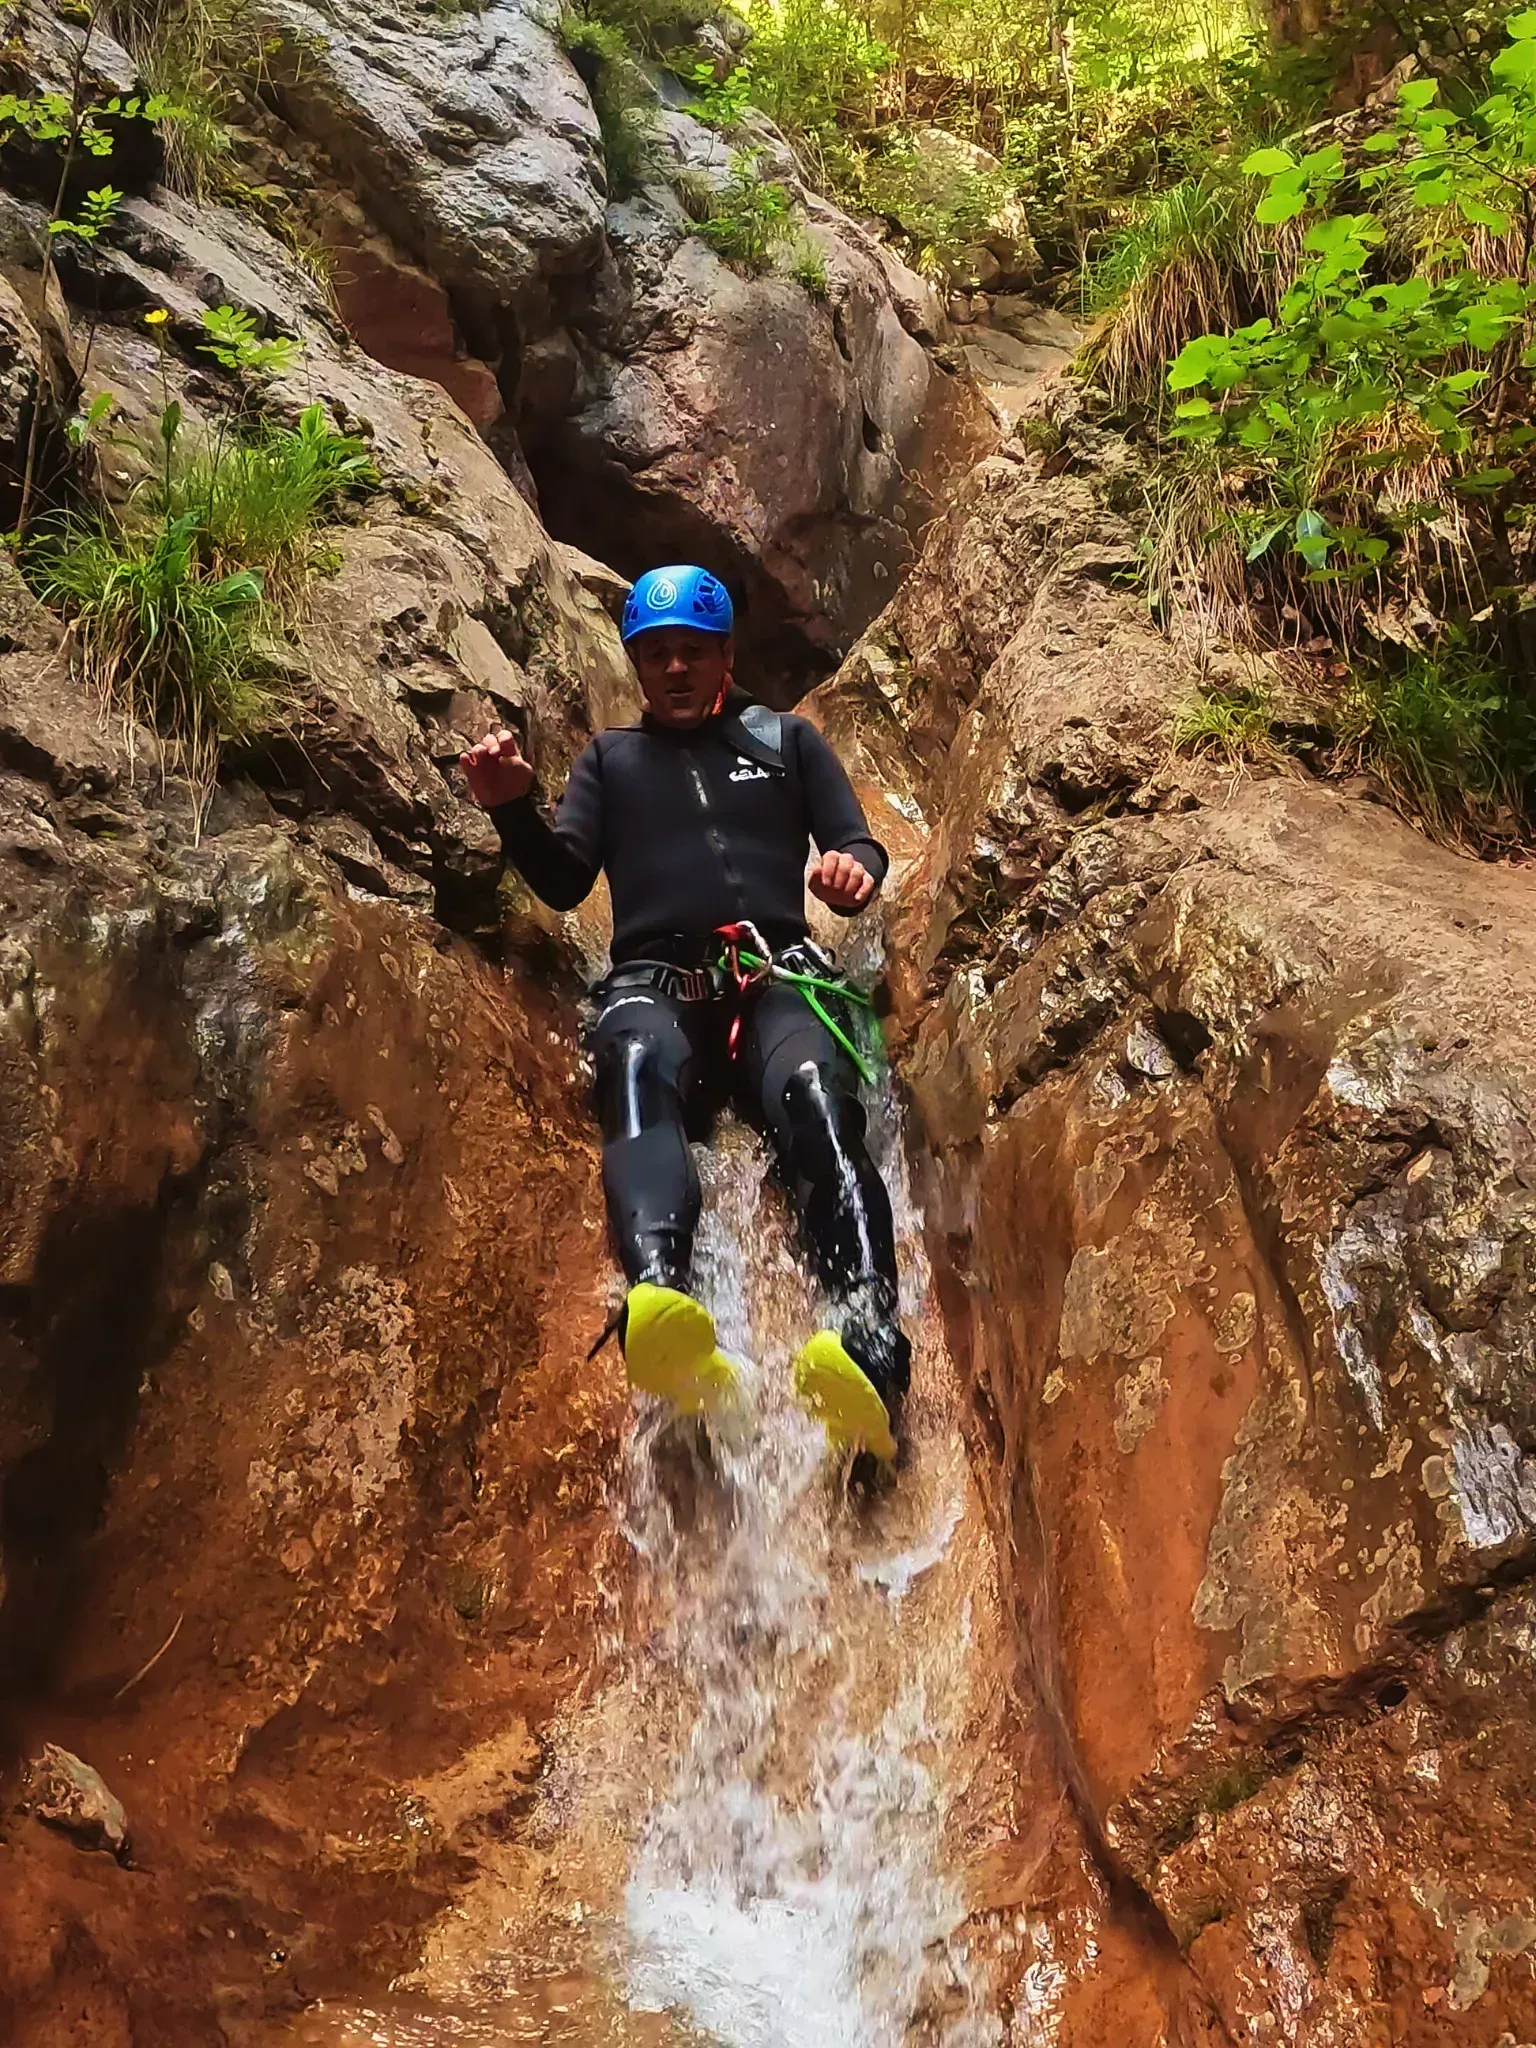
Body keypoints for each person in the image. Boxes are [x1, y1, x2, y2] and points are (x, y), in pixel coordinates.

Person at [460, 564, 910, 1460]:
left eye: (692, 652)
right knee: (633, 1066)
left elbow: (856, 842)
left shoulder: (788, 741)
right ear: (634, 663)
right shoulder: (610, 761)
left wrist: (852, 873)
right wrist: (513, 812)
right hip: (656, 983)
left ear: (725, 655)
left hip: (775, 975)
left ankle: (869, 1332)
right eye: (655, 653)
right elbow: (562, 880)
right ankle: (661, 1298)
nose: (673, 668)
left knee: (819, 1095)